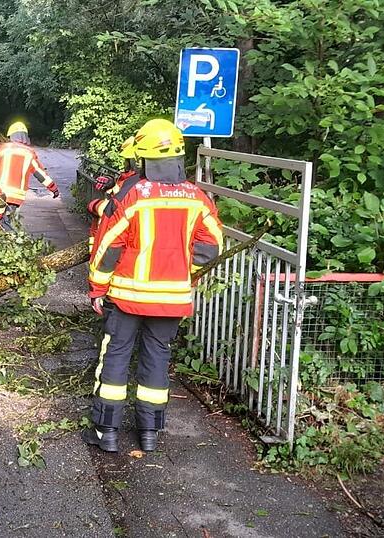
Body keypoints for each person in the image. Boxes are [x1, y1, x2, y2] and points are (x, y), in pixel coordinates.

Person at [82, 119, 223, 453]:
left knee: (116, 356)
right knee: (157, 359)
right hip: (171, 300)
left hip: (127, 297)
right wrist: (181, 271)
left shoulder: (134, 197)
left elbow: (108, 247)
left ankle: (107, 433)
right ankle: (148, 434)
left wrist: (97, 289)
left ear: (144, 159)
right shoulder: (197, 198)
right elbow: (212, 245)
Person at [0, 122, 60, 226]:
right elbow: (40, 173)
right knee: (9, 222)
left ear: (11, 135)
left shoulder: (3, 149)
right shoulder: (29, 153)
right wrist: (53, 188)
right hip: (16, 196)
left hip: (0, 192)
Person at [87, 136, 141, 255]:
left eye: (127, 159)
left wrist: (94, 205)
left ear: (135, 161)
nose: (124, 163)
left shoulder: (136, 182)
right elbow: (118, 190)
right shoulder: (129, 178)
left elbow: (111, 210)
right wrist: (110, 182)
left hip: (118, 244)